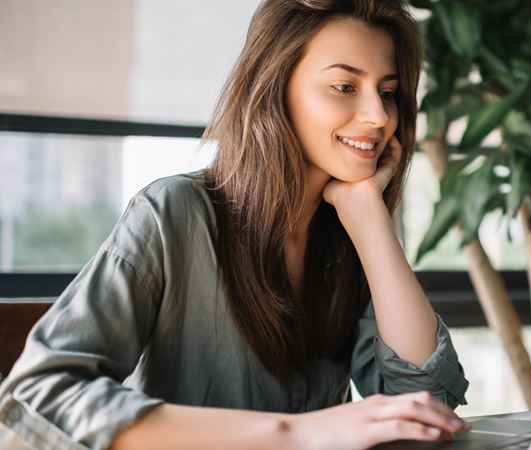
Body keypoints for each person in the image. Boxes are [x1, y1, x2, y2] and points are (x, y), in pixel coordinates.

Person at [0, 1, 470, 448]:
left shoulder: (349, 234)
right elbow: (40, 392)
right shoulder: (173, 214)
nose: (379, 116)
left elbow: (430, 403)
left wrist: (371, 220)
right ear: (275, 87)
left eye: (387, 93)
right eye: (345, 87)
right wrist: (296, 435)